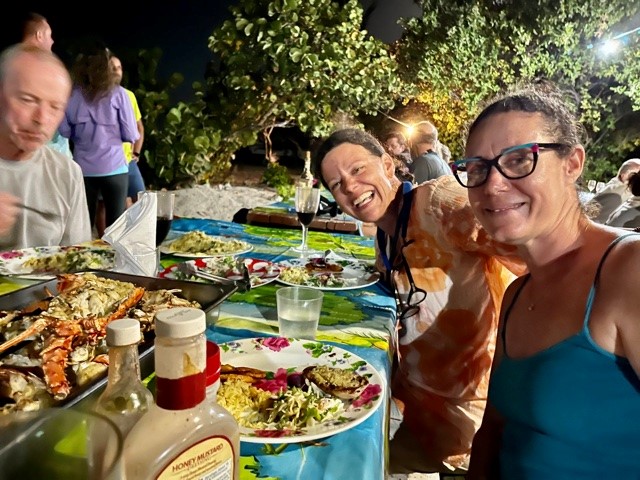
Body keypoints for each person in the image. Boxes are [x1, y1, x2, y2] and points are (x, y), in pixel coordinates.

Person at [453, 85, 640, 479]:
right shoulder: (516, 293)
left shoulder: (627, 269)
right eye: (477, 168)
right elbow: (493, 431)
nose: (492, 184)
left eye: (520, 159)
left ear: (572, 163)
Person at [313, 128, 525, 474]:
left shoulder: (440, 201)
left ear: (387, 164)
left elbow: (535, 255)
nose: (350, 187)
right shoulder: (385, 234)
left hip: (475, 419)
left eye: (358, 169)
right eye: (337, 184)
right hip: (421, 410)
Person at [0, 44, 91, 250]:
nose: (41, 119)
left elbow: (78, 258)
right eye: (28, 100)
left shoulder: (66, 173)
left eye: (55, 107)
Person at [59, 46, 139, 231]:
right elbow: (130, 134)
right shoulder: (119, 93)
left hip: (83, 169)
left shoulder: (71, 96)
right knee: (116, 228)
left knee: (82, 227)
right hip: (115, 167)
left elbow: (64, 132)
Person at [20, 12, 72, 159]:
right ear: (39, 35)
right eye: (49, 35)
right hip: (45, 150)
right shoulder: (42, 67)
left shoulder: (9, 63)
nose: (52, 41)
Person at [109, 54, 145, 205]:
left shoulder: (129, 96)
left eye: (119, 68)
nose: (116, 71)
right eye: (112, 67)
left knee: (141, 199)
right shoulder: (98, 97)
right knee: (109, 205)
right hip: (108, 163)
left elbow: (139, 127)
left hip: (128, 160)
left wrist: (136, 152)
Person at [591, 158, 640, 223]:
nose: (635, 179)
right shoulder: (618, 193)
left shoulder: (612, 186)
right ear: (623, 175)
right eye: (635, 175)